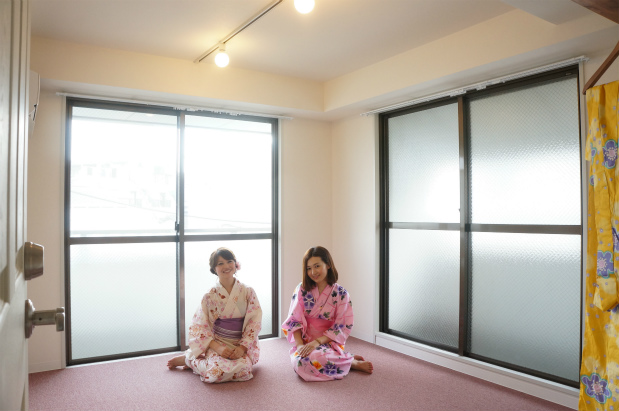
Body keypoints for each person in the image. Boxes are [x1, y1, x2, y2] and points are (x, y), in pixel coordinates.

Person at [167, 247, 262, 383]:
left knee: (244, 370)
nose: (226, 266)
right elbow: (199, 326)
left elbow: (254, 321)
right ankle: (190, 361)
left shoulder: (248, 291)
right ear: (214, 269)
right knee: (215, 373)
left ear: (235, 264)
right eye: (220, 263)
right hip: (219, 343)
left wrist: (242, 347)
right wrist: (218, 348)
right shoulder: (210, 296)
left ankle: (193, 360)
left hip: (240, 343)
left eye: (229, 261)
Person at [282, 246, 373, 381]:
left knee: (315, 357)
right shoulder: (301, 289)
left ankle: (351, 363)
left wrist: (317, 342)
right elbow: (294, 320)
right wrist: (300, 345)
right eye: (309, 268)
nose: (313, 272)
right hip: (306, 341)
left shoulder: (341, 294)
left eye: (317, 266)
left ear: (328, 265)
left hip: (328, 341)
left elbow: (342, 326)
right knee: (301, 362)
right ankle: (346, 359)